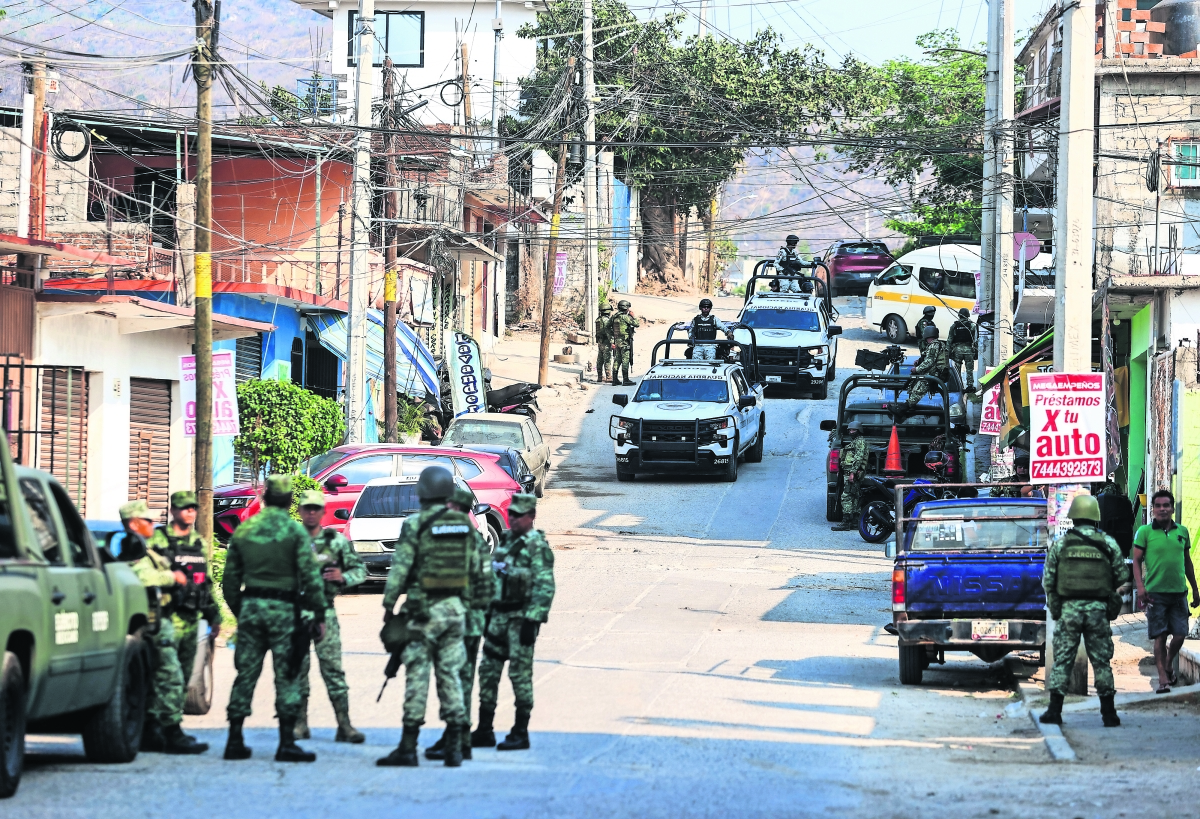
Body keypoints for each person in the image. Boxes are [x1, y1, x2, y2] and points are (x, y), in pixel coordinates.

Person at [376, 467, 492, 768]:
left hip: (423, 613)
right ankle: (455, 747)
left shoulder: (416, 524)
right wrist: (473, 609)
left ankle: (408, 747)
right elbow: (481, 573)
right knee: (450, 676)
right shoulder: (465, 527)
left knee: (417, 677)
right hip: (456, 613)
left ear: (423, 491)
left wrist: (389, 605)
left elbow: (400, 568)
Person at [222, 474, 327, 763]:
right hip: (285, 612)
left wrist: (242, 611)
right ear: (291, 501)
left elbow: (229, 584)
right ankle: (286, 743)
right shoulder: (295, 534)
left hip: (252, 609)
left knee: (245, 675)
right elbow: (311, 578)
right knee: (288, 675)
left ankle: (234, 739)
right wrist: (318, 614)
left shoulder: (244, 531)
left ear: (265, 498)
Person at [120, 500, 209, 755]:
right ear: (134, 523)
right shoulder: (132, 547)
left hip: (161, 618)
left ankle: (153, 731)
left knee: (159, 678)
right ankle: (172, 732)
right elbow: (140, 576)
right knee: (171, 677)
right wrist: (173, 577)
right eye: (147, 521)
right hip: (152, 623)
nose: (152, 524)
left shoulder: (145, 547)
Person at [473, 493, 556, 751]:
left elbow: (545, 587)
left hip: (521, 620)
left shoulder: (537, 548)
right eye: (512, 514)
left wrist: (533, 621)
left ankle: (520, 731)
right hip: (498, 618)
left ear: (531, 517)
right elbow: (492, 578)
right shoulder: (506, 542)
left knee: (519, 675)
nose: (514, 519)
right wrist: (486, 613)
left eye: (520, 515)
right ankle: (484, 729)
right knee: (488, 672)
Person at [1040, 495, 1131, 727]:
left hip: (1069, 608)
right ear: (1095, 517)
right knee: (1101, 662)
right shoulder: (1107, 543)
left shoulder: (1061, 544)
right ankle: (1109, 713)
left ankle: (1054, 711)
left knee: (1062, 660)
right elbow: (1122, 575)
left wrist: (1056, 607)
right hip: (1098, 609)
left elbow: (1049, 580)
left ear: (1073, 518)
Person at [425, 485, 493, 762]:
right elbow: (488, 585)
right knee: (461, 678)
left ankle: (455, 735)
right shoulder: (477, 540)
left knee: (452, 679)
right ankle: (460, 737)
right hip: (472, 622)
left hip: (456, 622)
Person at [293, 489, 367, 743]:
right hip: (296, 614)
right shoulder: (290, 541)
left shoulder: (336, 542)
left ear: (323, 511)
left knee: (333, 670)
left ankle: (344, 725)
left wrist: (343, 577)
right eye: (307, 508)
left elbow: (360, 570)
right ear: (300, 511)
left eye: (316, 508)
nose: (311, 513)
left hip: (325, 611)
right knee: (297, 671)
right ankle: (299, 724)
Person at [147, 490, 220, 712]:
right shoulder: (158, 539)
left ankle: (172, 719)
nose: (190, 512)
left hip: (191, 619)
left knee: (186, 676)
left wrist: (214, 615)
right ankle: (163, 726)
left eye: (193, 508)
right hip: (167, 617)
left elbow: (204, 582)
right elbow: (145, 573)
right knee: (168, 675)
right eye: (185, 508)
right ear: (173, 511)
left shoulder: (198, 542)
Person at [1132, 489, 1200, 693]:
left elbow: (1187, 562)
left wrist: (1195, 589)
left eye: (1166, 505)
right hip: (1155, 594)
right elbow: (1136, 560)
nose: (1162, 509)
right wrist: (1141, 587)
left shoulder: (1183, 532)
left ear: (1172, 508)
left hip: (1179, 592)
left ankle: (1169, 664)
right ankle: (1163, 678)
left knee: (1180, 634)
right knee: (1160, 636)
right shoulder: (1144, 532)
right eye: (1158, 506)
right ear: (1153, 509)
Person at [831, 421, 869, 532]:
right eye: (850, 430)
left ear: (859, 431)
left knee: (846, 496)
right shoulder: (856, 441)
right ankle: (855, 522)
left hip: (852, 473)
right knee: (854, 496)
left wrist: (852, 472)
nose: (851, 432)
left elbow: (858, 458)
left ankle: (846, 522)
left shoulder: (860, 442)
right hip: (850, 472)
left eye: (854, 430)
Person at [900, 325, 947, 412]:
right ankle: (910, 405)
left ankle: (906, 406)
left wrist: (916, 369)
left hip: (935, 373)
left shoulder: (933, 346)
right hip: (938, 372)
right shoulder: (938, 344)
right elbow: (927, 356)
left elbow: (929, 361)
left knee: (922, 383)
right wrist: (919, 360)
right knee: (913, 383)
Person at [610, 300, 639, 387]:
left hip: (617, 341)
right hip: (625, 342)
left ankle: (614, 379)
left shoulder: (614, 317)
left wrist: (612, 339)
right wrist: (633, 316)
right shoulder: (624, 317)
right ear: (626, 308)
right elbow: (636, 324)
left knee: (617, 360)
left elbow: (608, 327)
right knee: (625, 360)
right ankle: (625, 380)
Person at [947, 308, 977, 391]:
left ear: (959, 315)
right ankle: (970, 386)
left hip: (957, 350)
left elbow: (949, 340)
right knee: (969, 369)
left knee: (957, 369)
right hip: (969, 350)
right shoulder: (972, 326)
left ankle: (958, 386)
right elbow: (975, 340)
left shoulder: (954, 326)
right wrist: (976, 351)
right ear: (968, 316)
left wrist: (948, 352)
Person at [595, 304, 615, 384]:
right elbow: (608, 332)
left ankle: (599, 377)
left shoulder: (598, 319)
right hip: (606, 342)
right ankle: (608, 377)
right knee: (607, 359)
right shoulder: (606, 320)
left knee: (600, 359)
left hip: (600, 341)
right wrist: (612, 342)